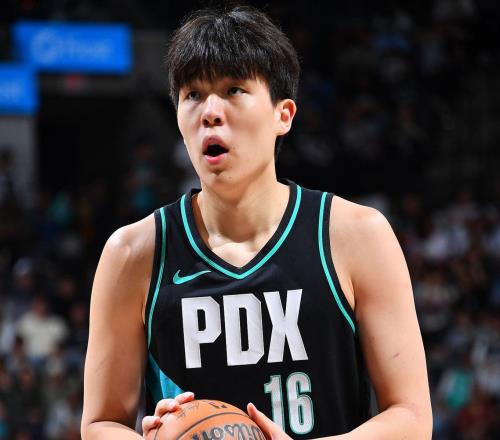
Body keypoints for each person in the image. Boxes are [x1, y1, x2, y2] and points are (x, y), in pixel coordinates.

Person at [81, 5, 432, 439]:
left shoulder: (357, 235)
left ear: (283, 115)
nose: (210, 111)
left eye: (233, 90)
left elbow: (412, 417)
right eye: (193, 94)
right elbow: (100, 424)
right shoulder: (132, 253)